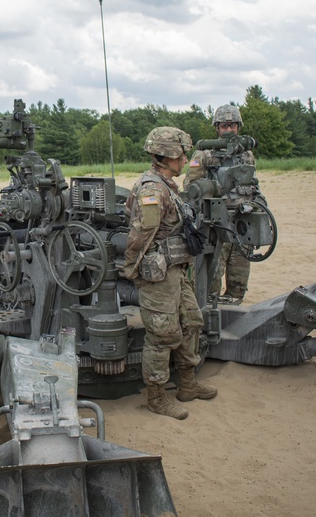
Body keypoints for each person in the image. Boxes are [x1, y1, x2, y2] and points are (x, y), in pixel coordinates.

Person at [124, 127, 218, 420]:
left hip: (177, 270)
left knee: (191, 321)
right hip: (160, 274)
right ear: (169, 156)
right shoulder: (153, 190)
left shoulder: (167, 186)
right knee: (162, 335)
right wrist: (134, 270)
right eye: (182, 154)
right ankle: (157, 397)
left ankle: (187, 385)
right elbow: (141, 236)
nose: (186, 159)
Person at [184, 104, 259, 305]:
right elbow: (190, 187)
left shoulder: (246, 155)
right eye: (224, 125)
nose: (228, 130)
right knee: (211, 280)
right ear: (217, 128)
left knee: (239, 281)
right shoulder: (204, 154)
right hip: (216, 226)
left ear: (238, 127)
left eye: (232, 125)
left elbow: (253, 185)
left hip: (243, 224)